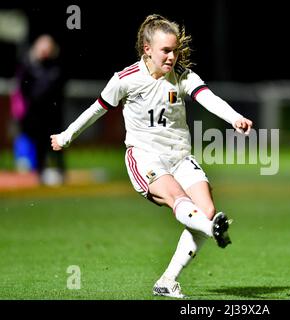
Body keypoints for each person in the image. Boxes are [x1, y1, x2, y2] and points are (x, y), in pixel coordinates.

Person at [50, 14, 253, 298]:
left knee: (206, 209)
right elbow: (96, 109)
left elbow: (208, 97)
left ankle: (168, 280)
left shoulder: (182, 76)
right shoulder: (125, 80)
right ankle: (212, 229)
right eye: (166, 51)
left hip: (180, 157)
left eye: (175, 50)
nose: (172, 56)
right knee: (178, 200)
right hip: (145, 157)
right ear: (147, 49)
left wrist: (234, 118)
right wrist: (66, 136)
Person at [16, 34, 66, 185]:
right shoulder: (28, 65)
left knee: (58, 143)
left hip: (54, 115)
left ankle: (60, 172)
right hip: (36, 115)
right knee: (39, 145)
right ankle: (40, 174)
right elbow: (24, 89)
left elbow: (58, 88)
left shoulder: (56, 67)